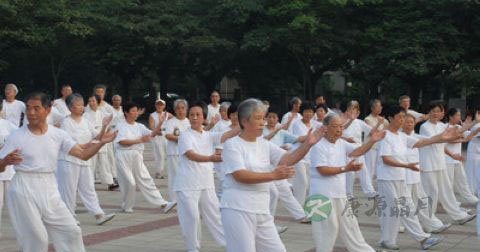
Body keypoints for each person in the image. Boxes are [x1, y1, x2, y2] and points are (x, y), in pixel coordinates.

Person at [0, 92, 117, 252]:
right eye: (28, 108)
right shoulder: (16, 135)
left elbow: (83, 155)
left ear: (48, 110)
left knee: (71, 231)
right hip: (23, 187)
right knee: (37, 239)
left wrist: (101, 143)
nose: (31, 113)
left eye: (36, 108)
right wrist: (5, 161)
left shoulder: (58, 135)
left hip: (49, 187)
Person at [220, 98, 324, 252]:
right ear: (244, 121)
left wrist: (308, 144)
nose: (262, 122)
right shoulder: (232, 145)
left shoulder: (264, 144)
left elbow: (288, 159)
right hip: (238, 208)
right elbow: (240, 175)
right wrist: (273, 175)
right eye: (257, 118)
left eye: (263, 118)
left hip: (261, 208)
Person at [376, 106, 453, 250]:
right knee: (395, 210)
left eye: (403, 117)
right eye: (399, 117)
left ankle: (415, 239)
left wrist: (441, 137)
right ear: (390, 118)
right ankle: (392, 240)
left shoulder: (402, 136)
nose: (402, 120)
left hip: (400, 178)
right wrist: (406, 166)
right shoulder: (385, 135)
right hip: (387, 179)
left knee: (407, 208)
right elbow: (386, 159)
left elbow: (421, 142)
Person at [309, 113, 385, 252]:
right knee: (326, 231)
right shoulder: (318, 146)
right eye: (335, 126)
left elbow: (357, 151)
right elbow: (322, 170)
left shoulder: (341, 143)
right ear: (325, 128)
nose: (339, 129)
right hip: (320, 197)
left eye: (341, 126)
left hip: (339, 194)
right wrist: (346, 168)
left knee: (351, 226)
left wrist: (372, 141)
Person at [176, 101, 240, 252]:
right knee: (192, 218)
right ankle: (193, 248)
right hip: (187, 184)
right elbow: (190, 155)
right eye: (191, 114)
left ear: (204, 117)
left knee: (214, 215)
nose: (194, 117)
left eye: (198, 114)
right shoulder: (185, 136)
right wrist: (210, 158)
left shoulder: (208, 135)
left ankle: (227, 243)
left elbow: (227, 134)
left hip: (205, 182)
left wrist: (244, 124)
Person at [56, 93, 116, 225]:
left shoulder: (86, 121)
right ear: (71, 107)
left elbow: (97, 137)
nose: (82, 107)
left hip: (83, 160)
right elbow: (70, 144)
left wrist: (104, 126)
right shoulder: (66, 122)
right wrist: (88, 145)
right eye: (78, 104)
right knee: (68, 191)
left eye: (83, 104)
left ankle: (99, 214)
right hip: (68, 160)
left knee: (88, 188)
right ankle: (69, 218)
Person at [419, 101, 476, 225]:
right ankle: (428, 221)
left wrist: (473, 123)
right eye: (432, 110)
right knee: (432, 192)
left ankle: (458, 215)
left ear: (442, 113)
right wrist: (455, 134)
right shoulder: (425, 127)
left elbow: (448, 141)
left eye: (438, 111)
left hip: (440, 163)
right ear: (429, 112)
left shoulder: (441, 126)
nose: (435, 113)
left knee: (446, 191)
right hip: (428, 164)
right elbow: (439, 139)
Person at [114, 102, 176, 213]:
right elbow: (122, 142)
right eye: (132, 111)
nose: (135, 113)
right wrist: (140, 140)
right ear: (126, 113)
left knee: (146, 179)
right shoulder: (120, 125)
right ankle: (127, 205)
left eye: (136, 110)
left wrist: (160, 123)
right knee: (130, 182)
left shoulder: (140, 126)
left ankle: (163, 204)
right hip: (123, 155)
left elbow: (153, 134)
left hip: (137, 155)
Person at [403, 113, 452, 234]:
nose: (409, 124)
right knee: (403, 204)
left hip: (415, 176)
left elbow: (431, 140)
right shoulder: (398, 137)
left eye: (411, 122)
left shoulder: (417, 136)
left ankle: (432, 225)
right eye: (406, 122)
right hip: (402, 177)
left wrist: (446, 135)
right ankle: (399, 226)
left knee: (422, 201)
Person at [263, 109, 310, 231]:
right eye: (270, 117)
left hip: (279, 169)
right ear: (266, 119)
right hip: (265, 170)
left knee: (286, 194)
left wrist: (310, 137)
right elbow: (263, 142)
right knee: (273, 194)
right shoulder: (262, 130)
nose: (272, 119)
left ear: (277, 119)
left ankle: (301, 216)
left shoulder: (282, 133)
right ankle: (269, 224)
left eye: (274, 117)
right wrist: (277, 131)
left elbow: (298, 139)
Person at [343, 100, 377, 199]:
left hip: (359, 149)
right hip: (347, 149)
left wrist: (379, 124)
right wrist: (350, 119)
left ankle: (369, 191)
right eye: (351, 108)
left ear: (358, 111)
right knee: (350, 172)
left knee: (363, 170)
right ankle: (348, 193)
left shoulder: (359, 122)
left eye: (355, 109)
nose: (353, 110)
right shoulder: (342, 119)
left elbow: (371, 131)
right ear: (348, 109)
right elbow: (342, 129)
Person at [444, 108, 479, 205]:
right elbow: (448, 140)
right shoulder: (445, 127)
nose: (459, 117)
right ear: (451, 117)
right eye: (457, 115)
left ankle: (472, 199)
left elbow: (470, 135)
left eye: (460, 115)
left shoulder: (459, 127)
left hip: (457, 160)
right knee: (449, 183)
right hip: (448, 160)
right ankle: (451, 203)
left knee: (462, 181)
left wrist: (477, 124)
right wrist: (462, 139)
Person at [290, 101, 321, 206]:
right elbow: (301, 139)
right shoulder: (297, 124)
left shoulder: (316, 124)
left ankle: (304, 207)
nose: (309, 114)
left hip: (311, 158)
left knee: (309, 185)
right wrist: (310, 137)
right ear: (302, 112)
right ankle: (299, 211)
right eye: (307, 111)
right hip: (299, 157)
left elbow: (327, 128)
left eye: (311, 112)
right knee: (302, 183)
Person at [84, 94, 118, 190]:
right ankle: (88, 183)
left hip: (103, 139)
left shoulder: (102, 113)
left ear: (98, 102)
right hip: (92, 139)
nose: (91, 103)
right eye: (89, 101)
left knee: (104, 162)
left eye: (93, 101)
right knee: (91, 163)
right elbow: (88, 129)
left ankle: (110, 182)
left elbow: (109, 124)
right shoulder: (86, 115)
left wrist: (108, 132)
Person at [164, 99, 190, 201]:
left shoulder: (189, 122)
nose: (180, 110)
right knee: (174, 177)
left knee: (186, 177)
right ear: (175, 110)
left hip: (187, 154)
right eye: (178, 108)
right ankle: (174, 200)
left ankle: (185, 198)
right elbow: (168, 135)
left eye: (183, 108)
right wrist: (183, 139)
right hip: (174, 153)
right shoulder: (171, 122)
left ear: (186, 109)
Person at [0, 98, 17, 238]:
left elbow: (20, 140)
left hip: (9, 170)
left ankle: (21, 230)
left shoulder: (8, 125)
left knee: (14, 204)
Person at [364, 99, 389, 181]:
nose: (380, 108)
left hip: (380, 147)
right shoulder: (368, 119)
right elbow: (371, 132)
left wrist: (380, 130)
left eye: (380, 106)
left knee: (379, 168)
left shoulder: (383, 120)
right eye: (378, 106)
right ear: (372, 108)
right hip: (371, 147)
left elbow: (387, 131)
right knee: (370, 168)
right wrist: (378, 124)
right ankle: (369, 189)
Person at [149, 98, 168, 179]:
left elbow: (175, 120)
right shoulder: (152, 115)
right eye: (158, 104)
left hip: (166, 137)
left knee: (169, 154)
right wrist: (158, 131)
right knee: (159, 154)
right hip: (157, 137)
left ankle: (171, 170)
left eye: (161, 104)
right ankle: (158, 172)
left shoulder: (167, 114)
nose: (159, 106)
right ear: (155, 105)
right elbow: (151, 127)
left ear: (164, 106)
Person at [466, 109, 480, 194]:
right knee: (472, 172)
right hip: (474, 152)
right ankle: (471, 192)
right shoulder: (476, 126)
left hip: (477, 151)